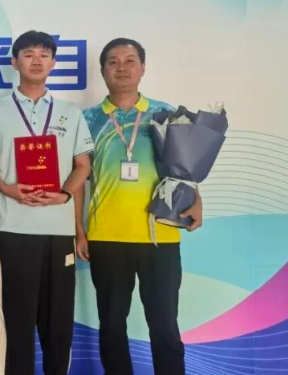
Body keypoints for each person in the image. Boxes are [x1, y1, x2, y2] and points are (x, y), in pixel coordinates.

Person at [79, 38, 202, 375]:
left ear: (143, 68)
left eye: (130, 60)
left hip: (159, 234)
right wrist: (78, 229)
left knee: (164, 325)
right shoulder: (87, 119)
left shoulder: (164, 114)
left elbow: (185, 168)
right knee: (111, 326)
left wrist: (197, 200)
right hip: (107, 235)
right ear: (103, 70)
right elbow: (78, 178)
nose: (122, 67)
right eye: (113, 61)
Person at [0, 31, 94, 375]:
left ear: (53, 63)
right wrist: (8, 188)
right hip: (14, 229)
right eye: (28, 54)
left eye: (44, 55)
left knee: (58, 324)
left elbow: (83, 165)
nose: (37, 61)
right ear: (15, 62)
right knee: (17, 323)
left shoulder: (70, 113)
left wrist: (65, 195)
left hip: (59, 231)